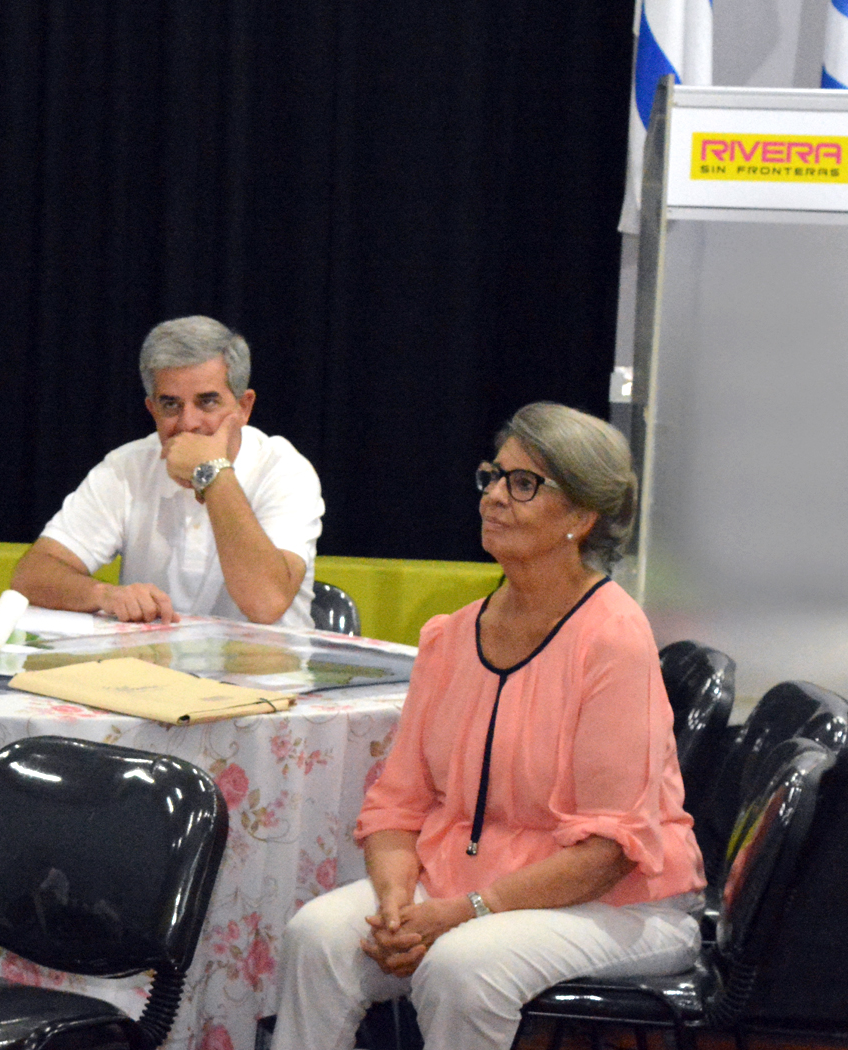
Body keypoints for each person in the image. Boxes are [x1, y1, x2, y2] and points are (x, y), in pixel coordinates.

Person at [272, 402, 705, 1050]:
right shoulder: (450, 636)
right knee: (317, 936)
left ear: (581, 516)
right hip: (460, 886)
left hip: (622, 905)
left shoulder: (614, 638)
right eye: (493, 476)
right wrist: (395, 904)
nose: (495, 496)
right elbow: (397, 805)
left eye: (523, 483)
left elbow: (608, 851)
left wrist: (460, 913)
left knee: (461, 967)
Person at [11, 316, 322, 627]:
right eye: (171, 405)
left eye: (207, 402)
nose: (188, 423)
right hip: (153, 658)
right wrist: (105, 595)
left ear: (244, 407)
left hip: (265, 659)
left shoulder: (285, 472)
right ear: (152, 410)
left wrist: (212, 473)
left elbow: (266, 603)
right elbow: (32, 576)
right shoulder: (127, 467)